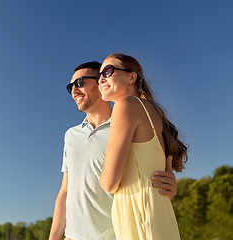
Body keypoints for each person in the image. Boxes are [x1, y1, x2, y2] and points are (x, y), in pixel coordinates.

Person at [48, 61, 178, 240]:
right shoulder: (70, 135)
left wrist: (169, 186)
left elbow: (151, 172)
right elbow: (65, 191)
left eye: (79, 83)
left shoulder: (129, 124)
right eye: (71, 86)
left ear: (101, 81)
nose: (74, 90)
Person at [98, 53, 187, 240]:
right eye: (99, 75)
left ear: (132, 77)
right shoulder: (150, 109)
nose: (101, 78)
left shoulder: (126, 105)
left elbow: (108, 182)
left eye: (107, 70)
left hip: (140, 214)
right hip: (154, 212)